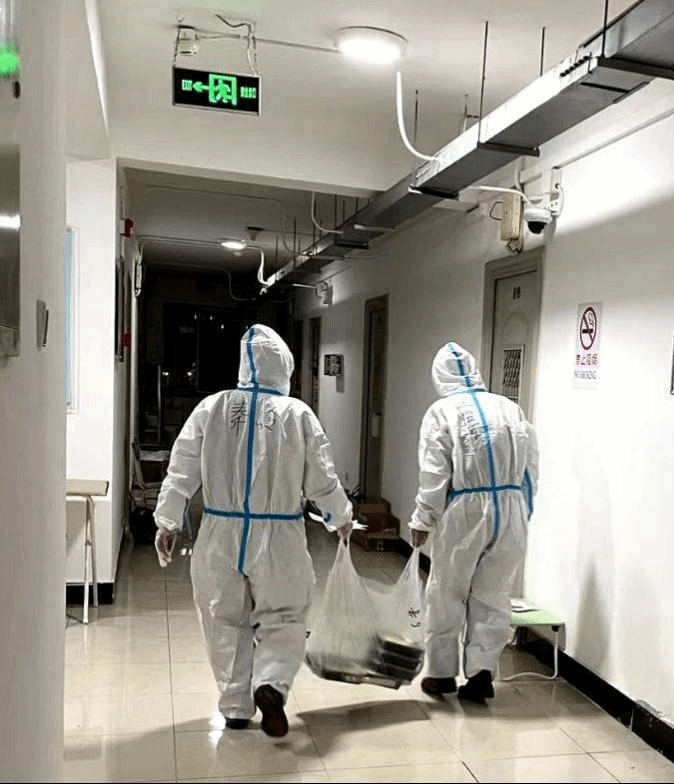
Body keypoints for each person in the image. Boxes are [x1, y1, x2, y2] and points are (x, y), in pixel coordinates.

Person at [153, 324, 353, 737]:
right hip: (279, 536)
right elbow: (323, 477)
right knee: (284, 617)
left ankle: (236, 706)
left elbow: (181, 467)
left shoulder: (212, 408)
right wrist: (340, 517)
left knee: (224, 620)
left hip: (220, 534)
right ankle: (271, 684)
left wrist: (168, 520)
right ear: (284, 366)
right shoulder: (298, 414)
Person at [408, 341, 538, 704]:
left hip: (464, 511)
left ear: (439, 377)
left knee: (447, 592)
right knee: (493, 595)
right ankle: (481, 673)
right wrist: (522, 511)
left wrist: (423, 519)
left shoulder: (441, 412)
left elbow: (434, 473)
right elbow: (531, 468)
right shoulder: (510, 408)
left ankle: (442, 675)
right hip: (511, 508)